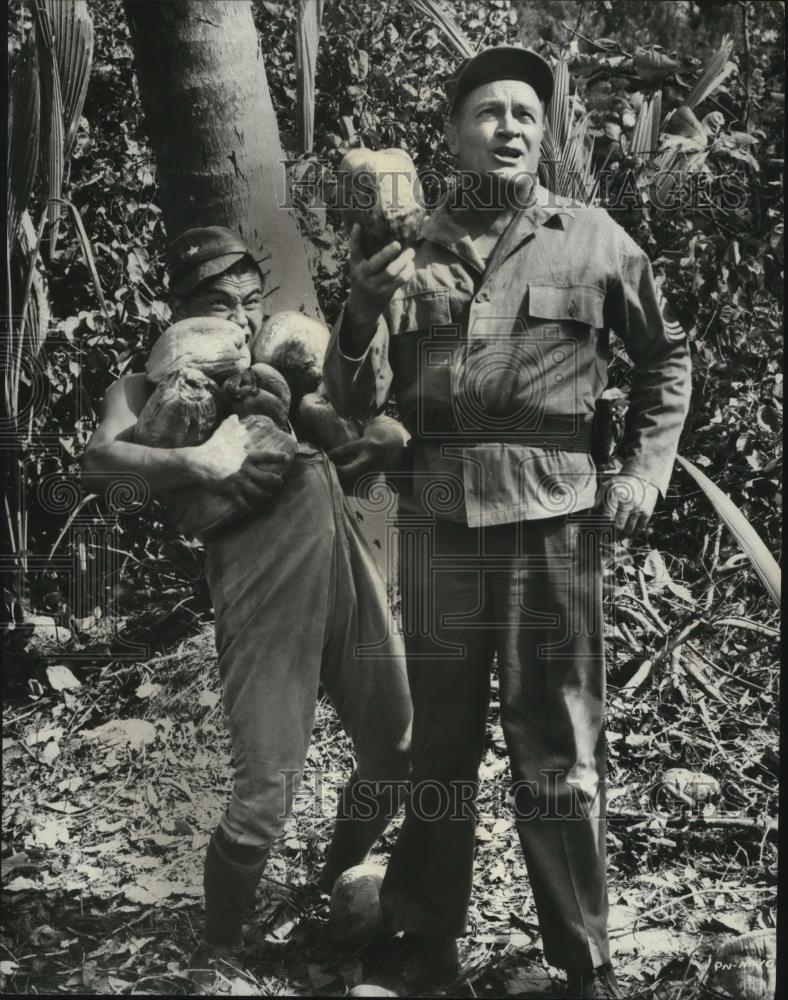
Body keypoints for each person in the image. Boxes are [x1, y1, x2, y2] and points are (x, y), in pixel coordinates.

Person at [323, 46, 692, 999]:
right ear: (454, 133)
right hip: (440, 516)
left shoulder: (594, 237)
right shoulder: (408, 250)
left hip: (554, 517)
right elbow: (350, 399)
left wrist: (645, 470)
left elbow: (667, 358)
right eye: (489, 110)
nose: (512, 126)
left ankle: (584, 961)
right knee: (439, 742)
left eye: (527, 112)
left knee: (558, 745)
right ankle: (421, 942)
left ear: (543, 132)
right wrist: (360, 310)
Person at [80, 226, 413, 977]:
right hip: (263, 583)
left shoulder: (285, 360)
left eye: (249, 301)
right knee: (266, 792)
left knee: (396, 753)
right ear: (180, 308)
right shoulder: (150, 386)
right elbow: (101, 460)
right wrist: (197, 457)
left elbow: (366, 414)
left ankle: (333, 885)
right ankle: (223, 946)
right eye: (217, 302)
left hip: (347, 557)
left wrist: (384, 436)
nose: (237, 316)